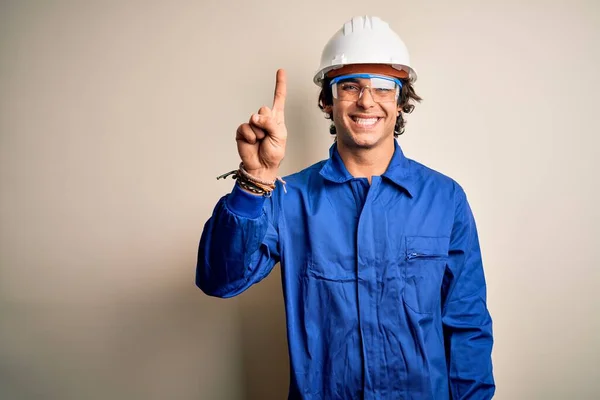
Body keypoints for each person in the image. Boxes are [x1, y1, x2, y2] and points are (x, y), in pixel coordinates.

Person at [197, 15, 495, 400]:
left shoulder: (445, 198)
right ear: (328, 101)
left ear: (401, 101)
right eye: (349, 85)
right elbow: (220, 279)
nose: (366, 100)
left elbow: (467, 324)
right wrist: (256, 179)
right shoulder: (289, 198)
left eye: (384, 87)